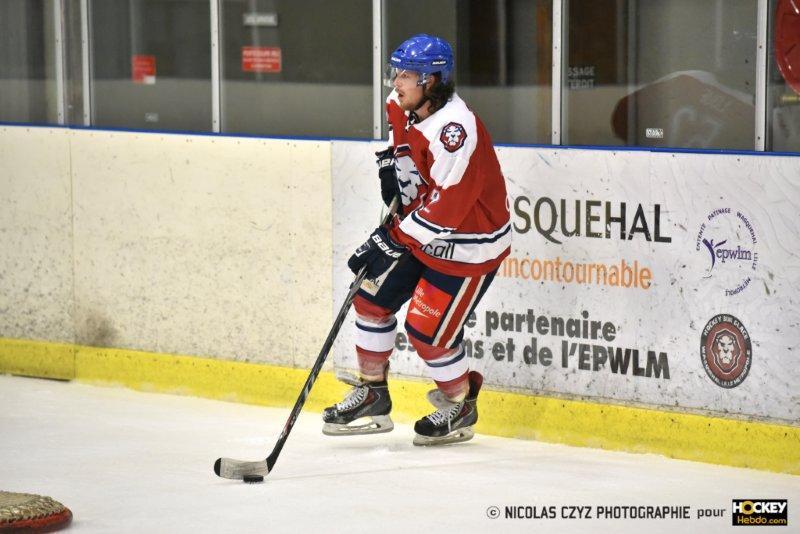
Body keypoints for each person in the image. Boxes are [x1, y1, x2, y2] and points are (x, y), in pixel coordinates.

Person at [322, 34, 511, 446]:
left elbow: (448, 208)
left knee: (427, 334)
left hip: (468, 243)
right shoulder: (403, 103)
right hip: (422, 229)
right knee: (370, 299)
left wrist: (392, 240)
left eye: (406, 74)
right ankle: (373, 393)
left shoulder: (456, 131)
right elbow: (401, 138)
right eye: (396, 72)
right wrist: (393, 163)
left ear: (432, 80)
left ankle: (459, 403)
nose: (396, 82)